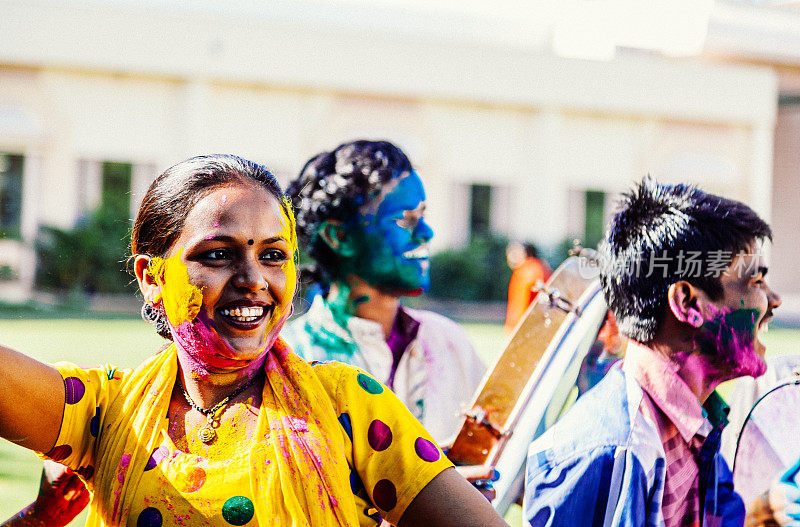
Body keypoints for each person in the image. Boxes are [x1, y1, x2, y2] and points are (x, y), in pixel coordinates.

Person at [0, 154, 507, 526]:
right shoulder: (108, 413)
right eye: (218, 255)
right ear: (151, 276)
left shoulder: (348, 406)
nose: (253, 280)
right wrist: (41, 517)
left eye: (272, 255)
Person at [524, 177, 782, 526]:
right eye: (755, 282)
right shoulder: (615, 452)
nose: (773, 300)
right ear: (688, 303)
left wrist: (769, 511)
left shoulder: (698, 418)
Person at [283, 140, 486, 445]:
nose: (426, 233)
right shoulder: (292, 360)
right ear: (338, 236)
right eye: (404, 218)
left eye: (423, 215)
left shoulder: (447, 341)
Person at [504, 241, 550, 333]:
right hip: (531, 323)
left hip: (526, 324)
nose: (510, 256)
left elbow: (522, 302)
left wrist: (513, 325)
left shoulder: (529, 270)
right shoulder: (533, 268)